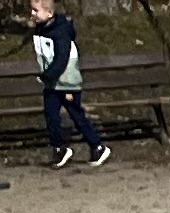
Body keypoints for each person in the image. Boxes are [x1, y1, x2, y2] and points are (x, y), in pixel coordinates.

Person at [28, 0, 109, 167]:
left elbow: (61, 60)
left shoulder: (61, 32)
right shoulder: (41, 30)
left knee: (76, 115)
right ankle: (59, 149)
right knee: (51, 116)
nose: (32, 14)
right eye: (32, 10)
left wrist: (46, 76)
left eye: (36, 10)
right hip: (52, 85)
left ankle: (97, 146)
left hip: (67, 84)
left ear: (49, 13)